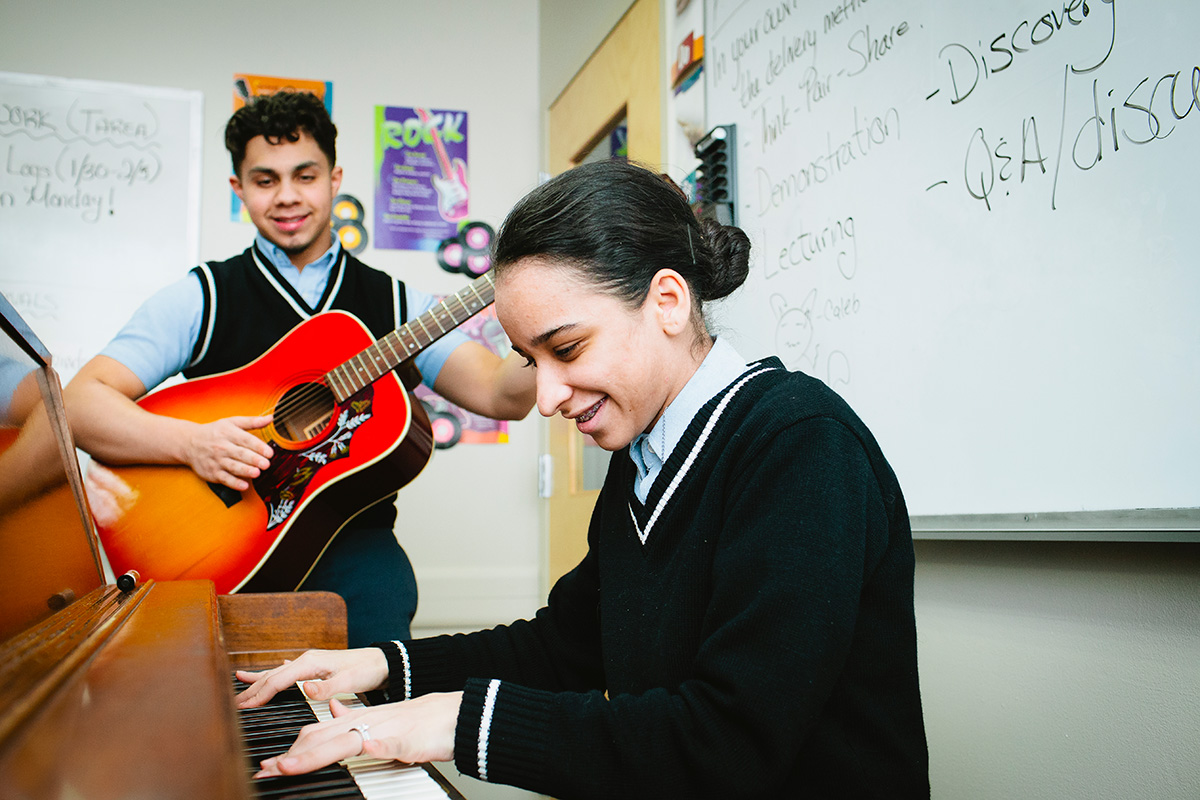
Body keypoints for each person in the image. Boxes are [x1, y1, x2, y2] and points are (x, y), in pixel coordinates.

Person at [234, 159, 930, 798]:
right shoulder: (643, 456)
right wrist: (381, 667)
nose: (546, 397)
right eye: (533, 361)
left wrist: (455, 721)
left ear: (667, 302)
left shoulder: (801, 445)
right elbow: (564, 647)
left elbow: (726, 744)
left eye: (566, 348)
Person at [63, 91, 535, 646]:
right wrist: (191, 444)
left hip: (357, 558)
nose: (287, 197)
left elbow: (504, 396)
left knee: (372, 704)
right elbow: (76, 405)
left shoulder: (398, 304)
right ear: (239, 191)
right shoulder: (202, 296)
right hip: (221, 557)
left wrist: (548, 316)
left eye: (304, 176)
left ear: (335, 179)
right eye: (265, 180)